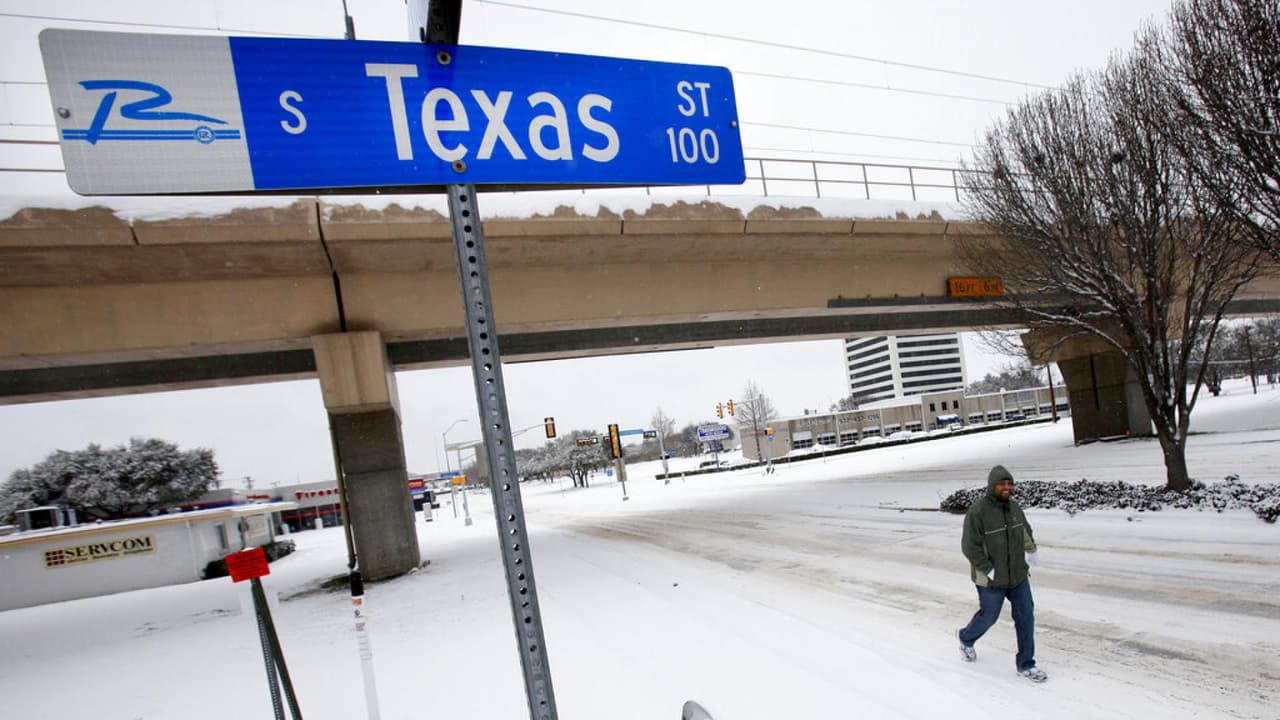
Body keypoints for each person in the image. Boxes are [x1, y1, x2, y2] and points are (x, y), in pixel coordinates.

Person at [957, 464, 1047, 682]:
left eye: (1010, 484)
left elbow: (1024, 531)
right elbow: (969, 546)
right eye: (1002, 484)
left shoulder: (1014, 507)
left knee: (1025, 616)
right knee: (989, 617)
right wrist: (988, 568)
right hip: (991, 578)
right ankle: (966, 638)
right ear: (992, 486)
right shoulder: (978, 512)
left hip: (1017, 575)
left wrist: (1031, 549)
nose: (1007, 488)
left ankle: (1026, 664)